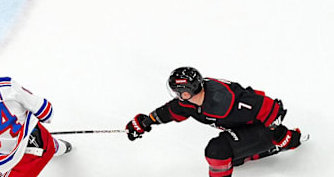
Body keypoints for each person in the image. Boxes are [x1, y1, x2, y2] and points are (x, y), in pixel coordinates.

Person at [125, 66, 306, 177]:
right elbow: (172, 110)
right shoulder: (191, 101)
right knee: (230, 160)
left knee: (217, 151)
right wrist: (146, 122)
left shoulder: (224, 99)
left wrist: (278, 132)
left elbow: (266, 105)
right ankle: (268, 148)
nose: (177, 96)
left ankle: (286, 140)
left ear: (187, 92)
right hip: (244, 127)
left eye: (178, 92)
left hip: (262, 126)